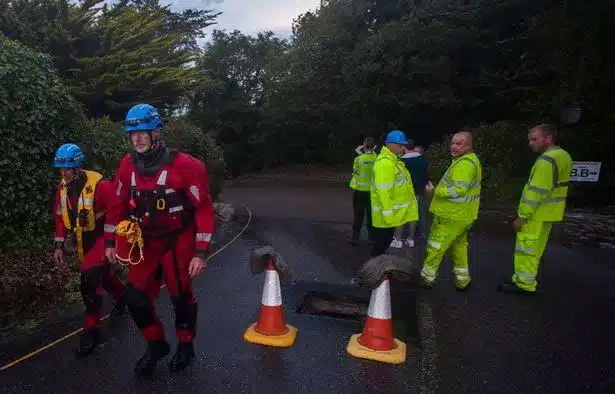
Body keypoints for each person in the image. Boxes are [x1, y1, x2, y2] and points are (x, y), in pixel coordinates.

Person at [104, 103, 215, 376]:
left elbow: (202, 207)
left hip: (179, 240)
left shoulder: (184, 165)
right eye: (133, 133)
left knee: (180, 297)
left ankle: (186, 346)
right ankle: (156, 344)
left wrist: (201, 252)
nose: (138, 138)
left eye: (144, 132)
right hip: (146, 242)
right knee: (134, 296)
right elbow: (117, 205)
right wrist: (110, 243)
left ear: (157, 133)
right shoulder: (127, 166)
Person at [52, 143, 126, 357]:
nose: (63, 173)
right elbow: (60, 219)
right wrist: (59, 245)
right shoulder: (63, 189)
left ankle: (92, 332)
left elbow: (118, 209)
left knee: (88, 283)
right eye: (61, 168)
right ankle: (122, 295)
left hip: (103, 237)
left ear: (77, 167)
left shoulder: (100, 185)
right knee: (101, 277)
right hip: (83, 240)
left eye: (67, 168)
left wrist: (115, 242)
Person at [498, 124, 572, 294]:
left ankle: (524, 283)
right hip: (550, 211)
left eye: (534, 139)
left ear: (549, 138)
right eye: (529, 139)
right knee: (535, 249)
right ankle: (523, 277)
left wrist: (522, 216)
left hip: (535, 213)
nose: (530, 143)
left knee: (526, 248)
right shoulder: (563, 155)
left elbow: (536, 192)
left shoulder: (546, 161)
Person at [420, 131, 482, 291]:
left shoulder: (465, 164)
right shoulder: (469, 161)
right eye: (453, 143)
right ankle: (463, 281)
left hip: (451, 215)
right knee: (459, 248)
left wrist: (435, 191)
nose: (453, 146)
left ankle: (426, 279)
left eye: (459, 143)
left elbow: (459, 189)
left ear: (469, 145)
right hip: (463, 215)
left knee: (435, 247)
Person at [370, 130, 418, 257]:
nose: (403, 147)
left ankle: (378, 272)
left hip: (388, 217)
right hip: (385, 218)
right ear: (390, 144)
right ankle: (372, 273)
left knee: (382, 246)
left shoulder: (393, 161)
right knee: (380, 247)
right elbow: (384, 192)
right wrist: (389, 217)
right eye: (400, 145)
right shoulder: (385, 163)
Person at [390, 140, 429, 248]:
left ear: (404, 147)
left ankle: (398, 240)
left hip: (403, 191)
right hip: (418, 192)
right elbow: (426, 175)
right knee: (413, 215)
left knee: (400, 215)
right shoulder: (422, 159)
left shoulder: (401, 160)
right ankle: (411, 239)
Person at [349, 137, 377, 244]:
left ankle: (355, 237)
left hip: (359, 190)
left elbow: (355, 171)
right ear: (374, 147)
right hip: (372, 191)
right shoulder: (377, 158)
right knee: (371, 215)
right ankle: (372, 237)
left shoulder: (359, 159)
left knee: (358, 215)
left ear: (364, 146)